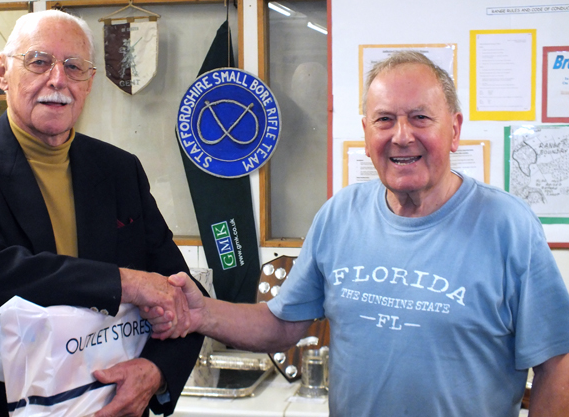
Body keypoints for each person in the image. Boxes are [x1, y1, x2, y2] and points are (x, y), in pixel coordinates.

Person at [151, 51, 569, 416]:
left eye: (420, 117)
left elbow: (556, 364)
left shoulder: (508, 227)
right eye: (385, 119)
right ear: (367, 133)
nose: (402, 135)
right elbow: (282, 326)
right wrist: (202, 313)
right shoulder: (340, 216)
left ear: (455, 129)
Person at [0, 9, 202, 417]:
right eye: (38, 62)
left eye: (74, 67)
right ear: (2, 72)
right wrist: (124, 283)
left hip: (107, 405)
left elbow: (182, 294)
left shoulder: (119, 169)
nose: (57, 80)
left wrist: (155, 371)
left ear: (88, 84)